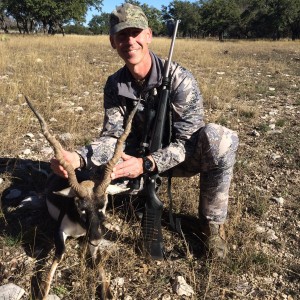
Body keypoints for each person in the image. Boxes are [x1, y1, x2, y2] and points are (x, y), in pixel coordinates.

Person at [50, 3, 239, 259]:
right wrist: (78, 157)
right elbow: (112, 138)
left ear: (148, 35)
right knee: (79, 174)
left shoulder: (180, 79)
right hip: (132, 160)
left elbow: (189, 143)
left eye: (136, 33)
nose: (130, 41)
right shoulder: (114, 84)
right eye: (122, 35)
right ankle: (123, 199)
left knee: (220, 139)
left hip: (177, 159)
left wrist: (147, 164)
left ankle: (212, 225)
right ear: (112, 42)